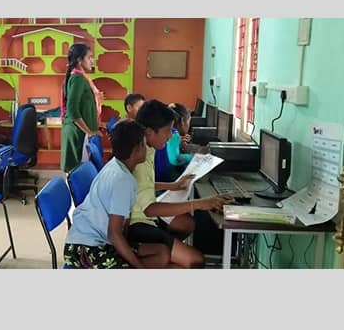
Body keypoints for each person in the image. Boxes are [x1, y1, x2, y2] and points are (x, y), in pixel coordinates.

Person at [128, 99, 233, 268]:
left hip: (142, 215)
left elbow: (144, 185)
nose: (171, 135)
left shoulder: (148, 148)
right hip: (137, 222)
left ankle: (167, 251)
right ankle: (165, 255)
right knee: (195, 260)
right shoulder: (139, 158)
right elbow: (149, 209)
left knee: (187, 224)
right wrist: (199, 204)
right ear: (149, 132)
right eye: (168, 131)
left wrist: (173, 186)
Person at [64, 118, 170, 268]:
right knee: (141, 264)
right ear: (137, 150)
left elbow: (122, 225)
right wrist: (138, 266)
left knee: (162, 252)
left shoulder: (118, 165)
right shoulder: (123, 180)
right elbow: (114, 234)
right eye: (145, 144)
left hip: (105, 239)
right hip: (86, 247)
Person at [60, 43, 103, 173]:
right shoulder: (78, 78)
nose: (92, 61)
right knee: (76, 175)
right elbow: (72, 110)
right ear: (79, 60)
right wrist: (89, 132)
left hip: (79, 132)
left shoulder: (79, 77)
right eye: (89, 57)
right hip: (78, 133)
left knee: (79, 173)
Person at [155, 103, 193, 182]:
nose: (189, 125)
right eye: (189, 121)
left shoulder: (165, 131)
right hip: (167, 180)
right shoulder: (174, 134)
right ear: (182, 121)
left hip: (157, 176)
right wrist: (192, 157)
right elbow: (175, 160)